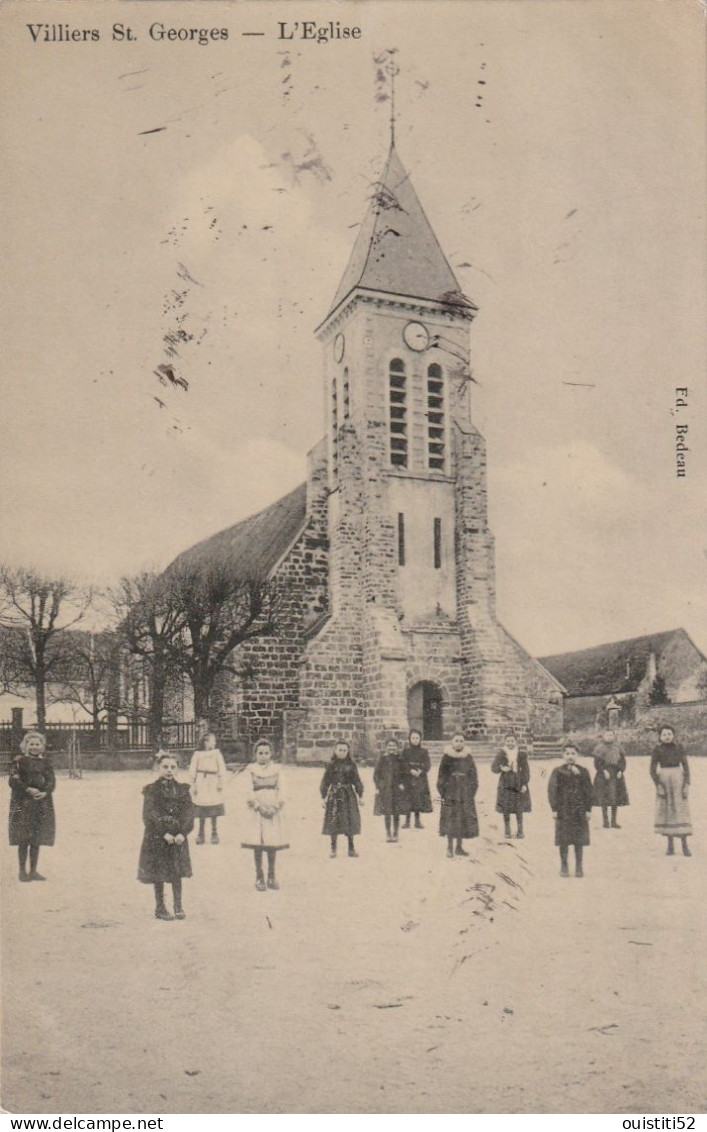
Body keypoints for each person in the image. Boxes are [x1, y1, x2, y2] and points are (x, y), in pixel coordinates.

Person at [138, 751, 194, 920]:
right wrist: (163, 833)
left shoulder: (183, 790)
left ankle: (178, 905)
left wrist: (183, 833)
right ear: (158, 768)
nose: (169, 770)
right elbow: (149, 814)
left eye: (173, 767)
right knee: (159, 872)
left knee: (176, 871)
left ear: (177, 769)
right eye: (165, 767)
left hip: (177, 838)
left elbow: (189, 813)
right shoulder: (151, 790)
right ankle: (160, 907)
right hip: (158, 838)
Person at [9, 730, 56, 882]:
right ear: (25, 745)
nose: (34, 747)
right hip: (23, 803)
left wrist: (46, 792)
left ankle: (34, 871)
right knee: (23, 838)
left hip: (41, 804)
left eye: (37, 744)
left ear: (42, 747)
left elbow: (52, 780)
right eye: (31, 744)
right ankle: (22, 871)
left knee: (36, 837)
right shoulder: (18, 761)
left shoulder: (46, 763)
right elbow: (13, 780)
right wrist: (28, 789)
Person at [241, 740, 288, 890]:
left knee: (272, 844)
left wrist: (275, 807)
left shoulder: (277, 770)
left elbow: (283, 790)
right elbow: (248, 791)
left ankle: (272, 876)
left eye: (266, 753)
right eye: (260, 753)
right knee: (258, 844)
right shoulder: (250, 770)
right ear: (255, 754)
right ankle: (259, 876)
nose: (263, 756)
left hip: (272, 810)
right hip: (258, 812)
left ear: (271, 754)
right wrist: (258, 807)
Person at [548, 743, 593, 878]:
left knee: (578, 839)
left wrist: (588, 809)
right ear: (563, 755)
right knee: (564, 839)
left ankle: (579, 866)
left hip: (579, 810)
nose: (570, 756)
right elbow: (552, 790)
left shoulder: (583, 771)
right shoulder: (557, 771)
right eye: (567, 754)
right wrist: (554, 808)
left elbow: (589, 791)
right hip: (563, 810)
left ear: (577, 755)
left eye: (573, 754)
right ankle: (564, 866)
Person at [650, 725, 691, 857]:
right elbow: (652, 769)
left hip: (678, 780)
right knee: (667, 811)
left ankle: (685, 846)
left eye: (669, 734)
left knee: (680, 811)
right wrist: (658, 785)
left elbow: (686, 767)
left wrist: (686, 785)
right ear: (660, 737)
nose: (667, 736)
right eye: (664, 734)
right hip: (664, 780)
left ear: (673, 735)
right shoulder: (657, 750)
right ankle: (670, 846)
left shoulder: (679, 748)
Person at [437, 732, 479, 858]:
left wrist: (471, 792)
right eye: (456, 740)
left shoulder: (468, 757)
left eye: (461, 740)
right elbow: (441, 776)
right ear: (452, 743)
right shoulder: (446, 757)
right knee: (451, 819)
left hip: (464, 794)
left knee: (462, 819)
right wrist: (443, 791)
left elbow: (473, 776)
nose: (459, 743)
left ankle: (459, 847)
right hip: (451, 793)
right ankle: (449, 846)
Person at [321, 740, 364, 858]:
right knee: (334, 821)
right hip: (335, 795)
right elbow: (325, 782)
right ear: (335, 751)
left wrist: (360, 795)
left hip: (348, 795)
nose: (342, 752)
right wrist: (323, 797)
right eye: (340, 750)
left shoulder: (351, 765)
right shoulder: (331, 765)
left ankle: (351, 848)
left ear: (348, 751)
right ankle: (333, 849)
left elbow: (357, 780)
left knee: (350, 821)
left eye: (345, 750)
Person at [188, 732, 227, 844]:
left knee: (213, 807)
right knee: (202, 808)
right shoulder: (197, 755)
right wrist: (193, 785)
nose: (214, 742)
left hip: (213, 782)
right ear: (205, 742)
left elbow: (222, 769)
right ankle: (201, 833)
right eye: (212, 740)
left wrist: (221, 782)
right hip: (201, 783)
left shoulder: (217, 754)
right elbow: (192, 771)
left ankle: (214, 832)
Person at [491, 732, 531, 839]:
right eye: (508, 741)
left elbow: (526, 771)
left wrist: (524, 784)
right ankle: (507, 830)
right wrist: (501, 768)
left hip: (518, 782)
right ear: (505, 741)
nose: (510, 743)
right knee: (506, 807)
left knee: (519, 807)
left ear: (516, 741)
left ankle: (520, 830)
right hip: (505, 782)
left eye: (512, 741)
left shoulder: (521, 755)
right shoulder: (501, 754)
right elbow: (493, 768)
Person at [592, 728, 629, 828]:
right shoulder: (599, 748)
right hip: (603, 775)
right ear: (603, 736)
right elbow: (597, 763)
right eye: (607, 735)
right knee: (603, 798)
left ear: (614, 736)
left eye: (611, 735)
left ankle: (614, 821)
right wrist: (603, 771)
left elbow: (622, 761)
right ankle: (605, 821)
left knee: (614, 798)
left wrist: (621, 770)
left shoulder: (618, 747)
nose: (609, 737)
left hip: (616, 774)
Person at [373, 738, 408, 842]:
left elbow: (405, 773)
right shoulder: (382, 759)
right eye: (389, 745)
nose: (392, 747)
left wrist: (403, 784)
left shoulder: (400, 759)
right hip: (386, 789)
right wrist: (379, 786)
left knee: (396, 811)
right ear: (386, 747)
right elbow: (376, 775)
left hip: (397, 789)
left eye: (394, 746)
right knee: (387, 812)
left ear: (397, 747)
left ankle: (396, 833)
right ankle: (388, 833)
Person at [400, 729, 433, 829]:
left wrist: (421, 771)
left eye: (417, 738)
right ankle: (407, 821)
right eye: (413, 738)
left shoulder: (424, 751)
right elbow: (402, 763)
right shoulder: (405, 751)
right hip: (408, 778)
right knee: (408, 799)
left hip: (420, 779)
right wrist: (409, 770)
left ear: (420, 739)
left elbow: (428, 764)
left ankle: (417, 821)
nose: (415, 740)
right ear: (409, 739)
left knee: (418, 799)